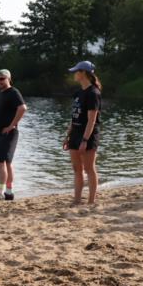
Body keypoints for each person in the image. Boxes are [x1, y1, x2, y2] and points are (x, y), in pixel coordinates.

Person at [63, 61, 102, 205]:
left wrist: (85, 140)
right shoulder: (78, 93)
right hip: (75, 133)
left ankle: (91, 201)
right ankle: (77, 199)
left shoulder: (93, 93)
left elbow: (91, 120)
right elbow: (74, 117)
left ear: (83, 73)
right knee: (76, 168)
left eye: (76, 71)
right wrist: (68, 136)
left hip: (88, 135)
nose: (74, 74)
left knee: (89, 168)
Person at [0, 69, 27, 202]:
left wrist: (11, 126)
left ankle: (0, 192)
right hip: (0, 133)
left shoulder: (13, 92)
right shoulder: (3, 93)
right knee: (7, 163)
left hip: (8, 133)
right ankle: (9, 192)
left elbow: (22, 108)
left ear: (9, 79)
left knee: (1, 162)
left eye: (2, 78)